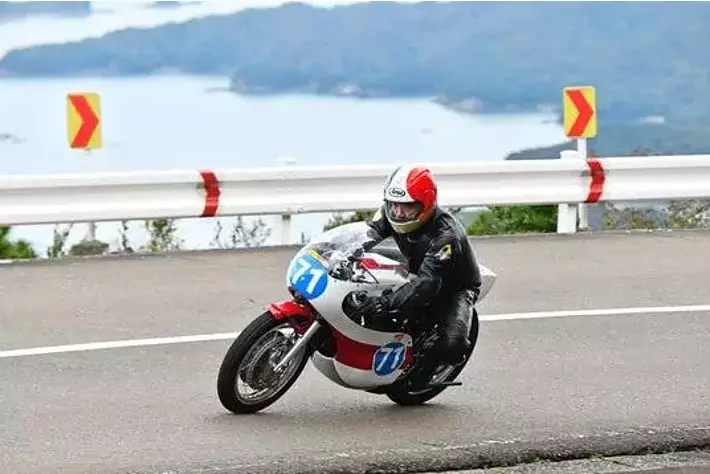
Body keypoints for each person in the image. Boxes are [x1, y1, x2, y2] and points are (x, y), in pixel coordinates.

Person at [353, 164, 483, 388]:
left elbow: (427, 284)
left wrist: (383, 303)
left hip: (453, 287)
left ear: (426, 205)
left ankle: (422, 376)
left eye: (408, 207)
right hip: (415, 267)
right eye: (394, 205)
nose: (398, 213)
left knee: (454, 345)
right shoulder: (390, 214)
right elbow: (366, 236)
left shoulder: (446, 235)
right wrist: (339, 253)